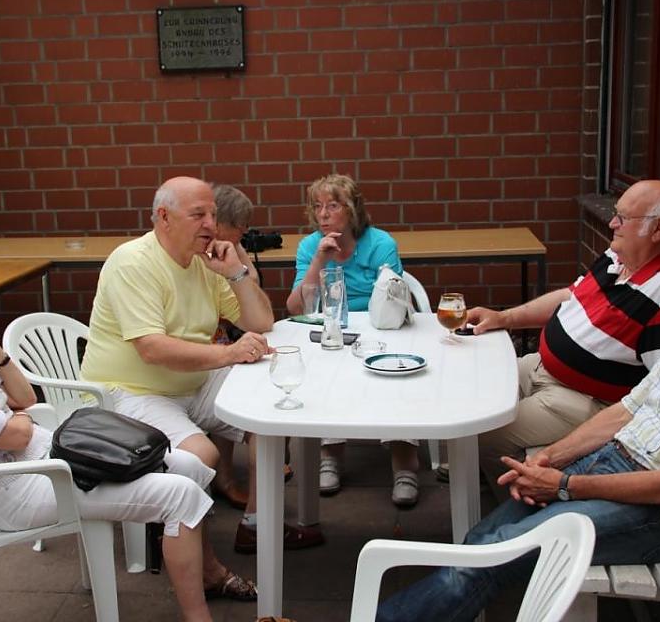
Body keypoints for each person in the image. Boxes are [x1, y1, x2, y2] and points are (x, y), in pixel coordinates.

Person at [376, 205, 660, 622]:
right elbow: (626, 410)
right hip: (611, 464)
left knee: (492, 555)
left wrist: (566, 485)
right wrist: (551, 459)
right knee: (481, 538)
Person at [0, 251, 254, 622]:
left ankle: (206, 572)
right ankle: (198, 614)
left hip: (44, 456)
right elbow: (14, 435)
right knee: (180, 495)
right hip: (13, 488)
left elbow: (25, 399)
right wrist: (16, 421)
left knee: (189, 466)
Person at [81, 176, 324, 554]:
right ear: (164, 217)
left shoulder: (203, 263)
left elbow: (261, 322)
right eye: (198, 215)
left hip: (189, 383)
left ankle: (256, 526)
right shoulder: (133, 262)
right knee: (201, 455)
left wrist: (237, 273)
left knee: (272, 414)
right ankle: (196, 559)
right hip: (129, 393)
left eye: (212, 214)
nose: (211, 224)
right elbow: (152, 349)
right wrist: (230, 353)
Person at [467, 180, 660, 499]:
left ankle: (513, 511)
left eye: (623, 218)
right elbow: (572, 296)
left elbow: (659, 389)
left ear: (658, 229)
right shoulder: (618, 257)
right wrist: (505, 318)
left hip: (580, 400)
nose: (612, 223)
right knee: (471, 386)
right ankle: (482, 476)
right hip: (540, 367)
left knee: (481, 434)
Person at [283, 174, 420, 506]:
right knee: (323, 368)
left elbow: (392, 302)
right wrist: (320, 260)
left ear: (353, 210)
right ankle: (330, 455)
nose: (323, 214)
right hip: (334, 327)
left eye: (333, 206)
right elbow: (296, 309)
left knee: (396, 373)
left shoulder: (380, 244)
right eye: (318, 207)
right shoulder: (310, 246)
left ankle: (404, 463)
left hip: (381, 326)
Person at [209, 184, 292, 509]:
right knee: (247, 383)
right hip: (210, 344)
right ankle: (227, 477)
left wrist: (238, 248)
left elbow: (250, 282)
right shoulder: (207, 258)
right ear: (221, 224)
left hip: (225, 334)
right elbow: (249, 291)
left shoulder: (227, 249)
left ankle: (254, 467)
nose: (245, 232)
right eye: (240, 226)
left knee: (264, 370)